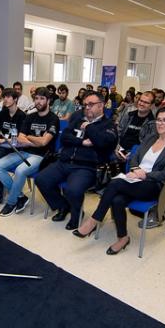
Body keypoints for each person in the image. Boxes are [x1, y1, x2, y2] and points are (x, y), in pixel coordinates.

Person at [72, 107, 165, 255]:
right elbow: (133, 158)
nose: (160, 123)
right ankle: (123, 237)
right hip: (133, 180)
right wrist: (135, 170)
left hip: (153, 185)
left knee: (115, 183)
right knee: (117, 200)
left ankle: (94, 220)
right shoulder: (150, 138)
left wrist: (143, 174)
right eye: (158, 119)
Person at [36, 91, 118, 230]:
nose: (87, 107)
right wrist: (82, 142)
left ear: (101, 105)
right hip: (64, 161)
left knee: (73, 190)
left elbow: (102, 143)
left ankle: (76, 215)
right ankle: (63, 206)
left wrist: (89, 127)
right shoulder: (78, 120)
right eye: (85, 104)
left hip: (86, 167)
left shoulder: (108, 125)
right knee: (42, 179)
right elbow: (65, 138)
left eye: (91, 104)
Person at [0, 87, 59, 217]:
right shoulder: (30, 117)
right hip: (24, 152)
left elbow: (44, 143)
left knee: (20, 170)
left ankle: (11, 202)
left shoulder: (53, 119)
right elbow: (19, 137)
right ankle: (21, 196)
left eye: (42, 98)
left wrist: (28, 138)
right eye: (36, 98)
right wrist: (34, 140)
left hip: (41, 156)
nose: (38, 101)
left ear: (48, 101)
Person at [116, 91, 154, 162]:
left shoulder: (152, 123)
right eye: (141, 100)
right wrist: (116, 147)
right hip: (120, 149)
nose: (142, 104)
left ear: (151, 105)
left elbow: (147, 145)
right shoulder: (128, 115)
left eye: (146, 102)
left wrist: (133, 154)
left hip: (136, 156)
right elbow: (118, 132)